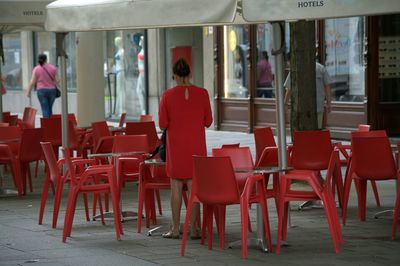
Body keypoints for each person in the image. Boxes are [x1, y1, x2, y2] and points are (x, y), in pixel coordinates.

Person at [159, 58, 213, 239]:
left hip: (176, 147)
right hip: (196, 146)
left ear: (174, 75)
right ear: (190, 73)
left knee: (176, 188)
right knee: (193, 188)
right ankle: (194, 228)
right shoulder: (203, 93)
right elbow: (208, 122)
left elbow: (162, 123)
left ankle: (175, 228)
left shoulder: (167, 95)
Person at [284, 62, 332, 129]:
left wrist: (285, 103)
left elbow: (289, 88)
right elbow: (327, 86)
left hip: (301, 107)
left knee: (302, 131)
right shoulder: (320, 68)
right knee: (316, 130)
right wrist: (329, 103)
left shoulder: (296, 68)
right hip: (317, 106)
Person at [27, 53, 58, 118]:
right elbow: (57, 81)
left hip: (41, 91)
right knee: (49, 108)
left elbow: (32, 81)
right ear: (46, 59)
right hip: (52, 91)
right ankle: (50, 124)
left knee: (45, 109)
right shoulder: (53, 68)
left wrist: (29, 91)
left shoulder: (36, 69)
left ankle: (47, 126)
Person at [114, 36, 126, 115]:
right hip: (118, 71)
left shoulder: (122, 51)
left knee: (121, 90)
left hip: (121, 71)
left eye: (117, 41)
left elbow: (125, 62)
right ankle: (119, 109)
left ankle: (122, 110)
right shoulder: (119, 51)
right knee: (119, 90)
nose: (116, 43)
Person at [136, 36, 146, 115]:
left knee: (141, 90)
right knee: (139, 90)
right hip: (141, 72)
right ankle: (143, 109)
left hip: (143, 72)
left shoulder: (145, 51)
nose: (140, 41)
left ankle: (144, 109)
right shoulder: (142, 50)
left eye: (141, 40)